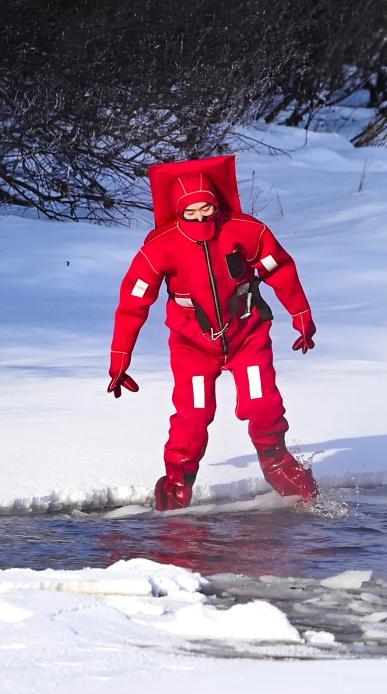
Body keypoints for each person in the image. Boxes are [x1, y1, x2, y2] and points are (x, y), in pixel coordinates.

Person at [107, 155, 319, 511]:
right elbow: (134, 302)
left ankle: (287, 476)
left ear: (216, 204)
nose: (200, 218)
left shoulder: (246, 231)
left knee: (262, 404)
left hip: (247, 335)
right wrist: (120, 358)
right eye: (190, 212)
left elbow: (279, 268)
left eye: (206, 208)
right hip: (193, 345)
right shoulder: (161, 246)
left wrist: (301, 314)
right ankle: (175, 491)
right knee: (193, 415)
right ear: (178, 212)